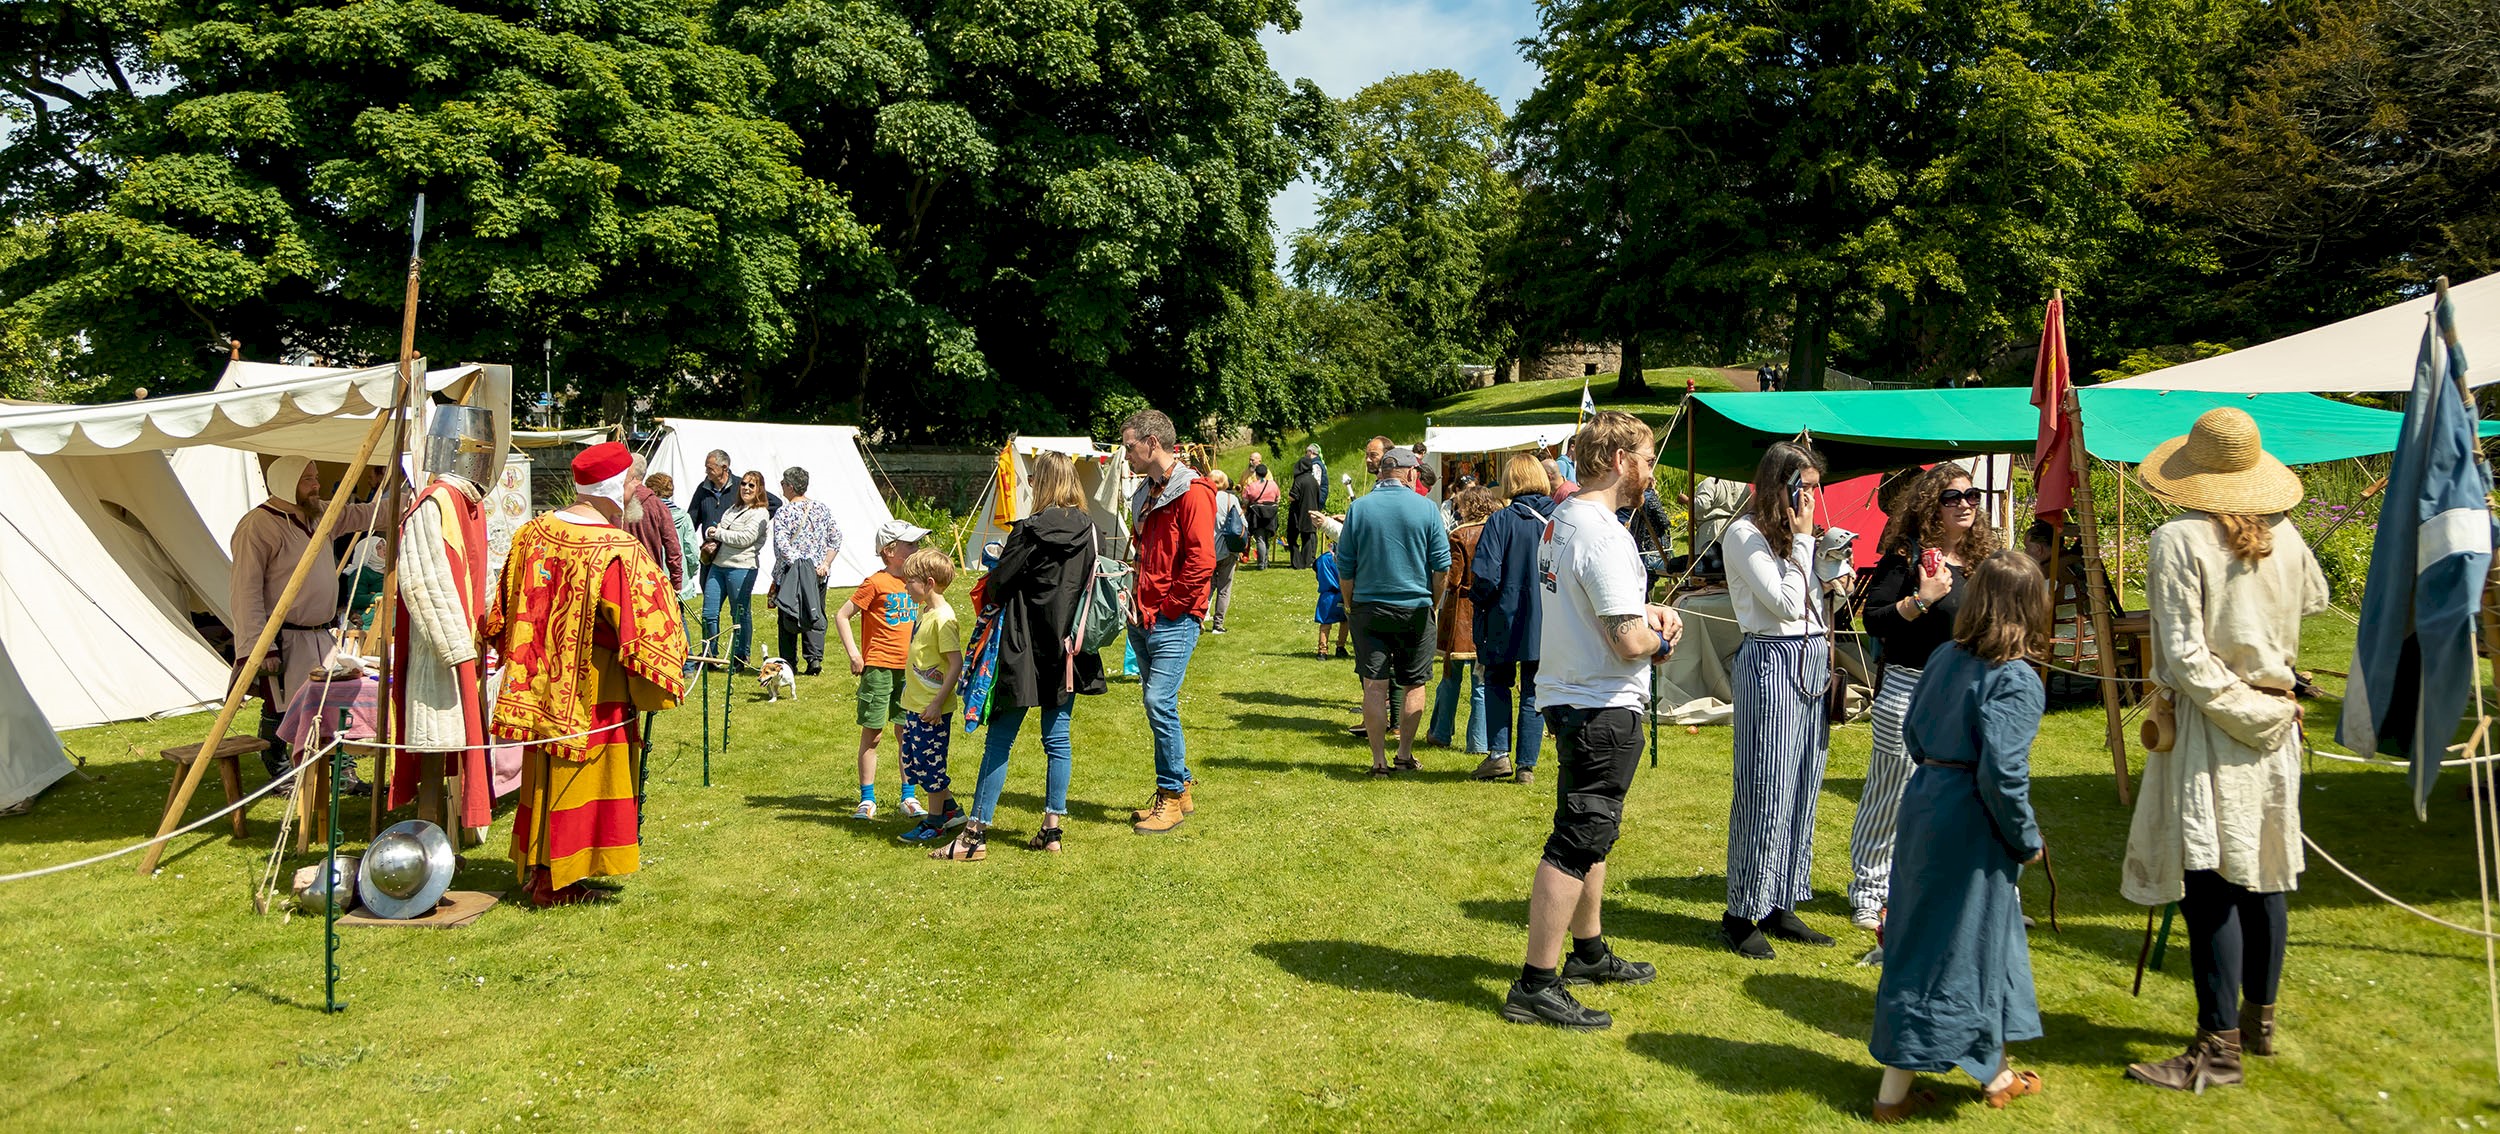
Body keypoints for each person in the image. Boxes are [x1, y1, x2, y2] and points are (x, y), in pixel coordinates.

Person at [2121, 408, 2328, 1093]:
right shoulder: (2286, 534)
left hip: (2223, 723)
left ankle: (2221, 1049)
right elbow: (2317, 599)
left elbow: (2183, 658)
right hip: (2269, 717)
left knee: (2213, 882)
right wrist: (2268, 688)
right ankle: (2254, 1027)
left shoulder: (2177, 539)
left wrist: (2246, 709)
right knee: (2260, 871)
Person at [1500, 410, 1683, 1030]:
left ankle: (1588, 952)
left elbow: (1602, 608)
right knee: (1579, 836)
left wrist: (1647, 610)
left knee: (1592, 828)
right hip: (1599, 700)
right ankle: (1536, 983)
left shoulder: (1567, 521)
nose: (1651, 470)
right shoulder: (1602, 533)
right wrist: (1661, 636)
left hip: (1573, 694)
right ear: (1617, 460)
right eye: (1647, 457)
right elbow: (1626, 641)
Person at [1867, 550, 2050, 1121]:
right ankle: (1892, 1097)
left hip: (1926, 804)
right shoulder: (2015, 680)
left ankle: (1994, 1075)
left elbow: (1915, 731)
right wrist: (2025, 837)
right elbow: (2003, 773)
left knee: (1956, 941)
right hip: (1971, 819)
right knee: (1948, 950)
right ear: (2031, 607)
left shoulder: (1946, 655)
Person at [488, 442, 687, 907]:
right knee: (585, 775)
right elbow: (648, 625)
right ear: (616, 488)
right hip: (592, 687)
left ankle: (540, 869)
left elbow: (504, 606)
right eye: (630, 484)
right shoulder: (617, 548)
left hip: (538, 684)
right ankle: (563, 878)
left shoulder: (531, 533)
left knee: (542, 775)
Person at [1847, 463, 1999, 930]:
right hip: (1909, 685)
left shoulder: (1982, 562)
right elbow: (1872, 620)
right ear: (1931, 506)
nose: (1966, 505)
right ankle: (1870, 894)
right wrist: (1922, 597)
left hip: (1965, 690)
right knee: (1892, 791)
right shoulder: (1905, 557)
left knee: (1962, 794)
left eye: (1971, 496)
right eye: (1953, 498)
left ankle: (1945, 886)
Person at [949, 452, 1106, 858]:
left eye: (1035, 478)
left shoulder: (1028, 530)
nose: (1031, 484)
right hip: (1067, 646)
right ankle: (1052, 830)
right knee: (1058, 740)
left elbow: (998, 585)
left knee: (999, 739)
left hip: (1021, 643)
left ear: (1046, 482)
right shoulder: (1092, 531)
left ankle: (974, 835)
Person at [1720, 440, 1836, 959]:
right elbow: (1785, 605)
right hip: (1771, 661)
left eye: (1815, 487)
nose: (1811, 498)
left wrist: (1829, 563)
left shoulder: (1793, 537)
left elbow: (1809, 598)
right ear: (1779, 487)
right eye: (1803, 488)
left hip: (1810, 657)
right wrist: (1807, 542)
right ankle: (1741, 910)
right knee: (1765, 788)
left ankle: (1781, 898)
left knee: (1804, 783)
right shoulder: (1744, 534)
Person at [228, 455, 385, 787]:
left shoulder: (319, 516)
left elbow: (363, 515)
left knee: (332, 702)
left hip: (320, 636)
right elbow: (246, 592)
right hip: (284, 637)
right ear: (287, 483)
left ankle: (341, 772)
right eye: (308, 480)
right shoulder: (258, 526)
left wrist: (410, 499)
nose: (316, 485)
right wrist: (262, 647)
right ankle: (280, 770)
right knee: (284, 706)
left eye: (315, 478)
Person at [391, 407, 496, 831]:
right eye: (476, 446)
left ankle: (447, 841)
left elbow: (482, 569)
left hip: (465, 647)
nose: (482, 454)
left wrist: (488, 626)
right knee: (437, 746)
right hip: (441, 652)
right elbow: (423, 578)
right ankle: (426, 839)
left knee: (460, 744)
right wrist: (456, 646)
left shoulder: (470, 503)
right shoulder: (434, 503)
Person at [1122, 408, 1217, 834]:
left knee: (1158, 702)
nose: (1126, 456)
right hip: (1144, 614)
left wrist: (1171, 609)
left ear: (1152, 443)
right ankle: (1180, 785)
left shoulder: (1193, 491)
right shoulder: (1148, 491)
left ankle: (1171, 798)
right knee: (1162, 705)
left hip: (1171, 618)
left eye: (1129, 447)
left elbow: (1201, 561)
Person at [1339, 446, 1452, 776]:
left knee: (1374, 685)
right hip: (1415, 607)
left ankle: (1378, 761)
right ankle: (1404, 753)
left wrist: (1349, 603)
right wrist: (1433, 601)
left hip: (1368, 607)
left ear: (1381, 473)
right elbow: (1441, 567)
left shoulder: (1359, 508)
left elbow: (1345, 567)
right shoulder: (1427, 510)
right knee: (1414, 684)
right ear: (1412, 474)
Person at [838, 520, 932, 821]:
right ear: (890, 551)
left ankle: (909, 796)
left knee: (907, 732)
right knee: (874, 734)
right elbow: (842, 615)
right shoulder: (875, 583)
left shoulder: (916, 585)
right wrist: (855, 654)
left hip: (909, 669)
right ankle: (867, 799)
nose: (917, 549)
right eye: (910, 545)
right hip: (878, 668)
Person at [1473, 453, 1557, 784]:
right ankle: (1526, 765)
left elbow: (1486, 575)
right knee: (1534, 689)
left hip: (1503, 615)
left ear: (1511, 481)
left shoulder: (1501, 521)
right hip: (1548, 617)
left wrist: (1477, 600)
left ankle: (1498, 755)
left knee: (1496, 681)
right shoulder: (1560, 520)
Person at [894, 549, 970, 845]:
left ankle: (936, 823)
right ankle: (951, 811)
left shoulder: (943, 619)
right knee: (916, 762)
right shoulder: (924, 612)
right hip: (916, 704)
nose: (904, 586)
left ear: (927, 582)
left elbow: (956, 663)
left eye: (908, 581)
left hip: (931, 708)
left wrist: (938, 702)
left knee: (932, 768)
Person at [1428, 488, 1499, 755]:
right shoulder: (1498, 529)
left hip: (1462, 611)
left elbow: (1453, 578)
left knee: (1450, 677)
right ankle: (1479, 743)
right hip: (1490, 609)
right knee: (1481, 681)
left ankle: (1440, 732)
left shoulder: (1460, 534)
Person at [768, 466, 842, 676]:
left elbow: (782, 545)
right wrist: (825, 564)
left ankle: (789, 661)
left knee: (789, 615)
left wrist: (798, 566)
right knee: (815, 612)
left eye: (783, 483)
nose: (781, 486)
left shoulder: (784, 512)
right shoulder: (822, 509)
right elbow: (835, 539)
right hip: (818, 574)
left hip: (791, 573)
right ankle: (814, 659)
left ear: (790, 486)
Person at [698, 471, 770, 671]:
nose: (746, 488)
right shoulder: (732, 508)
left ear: (759, 489)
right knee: (709, 613)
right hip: (718, 565)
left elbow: (745, 539)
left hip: (742, 568)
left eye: (752, 486)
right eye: (744, 484)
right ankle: (710, 656)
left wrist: (718, 532)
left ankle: (740, 657)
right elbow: (717, 527)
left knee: (738, 614)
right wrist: (712, 531)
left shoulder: (761, 513)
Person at [624, 453, 684, 596]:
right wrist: (676, 582)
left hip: (622, 575)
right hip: (649, 578)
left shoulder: (613, 502)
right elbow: (672, 546)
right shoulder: (658, 506)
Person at [1206, 469, 1246, 634]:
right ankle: (1218, 624)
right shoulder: (1231, 499)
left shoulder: (1204, 498)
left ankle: (1199, 617)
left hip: (1207, 548)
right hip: (1227, 549)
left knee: (1206, 586)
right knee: (1224, 588)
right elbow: (1242, 524)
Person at [1287, 443, 1330, 570]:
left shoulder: (1299, 480)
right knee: (1308, 536)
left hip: (1298, 511)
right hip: (1311, 510)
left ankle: (1297, 561)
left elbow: (1293, 496)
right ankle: (1307, 561)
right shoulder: (1313, 480)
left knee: (1292, 537)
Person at [1313, 513, 1349, 658]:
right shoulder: (1344, 558)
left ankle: (1322, 650)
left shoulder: (1322, 559)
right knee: (1344, 621)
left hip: (1327, 594)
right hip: (1342, 593)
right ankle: (1340, 646)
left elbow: (1317, 572)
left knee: (1325, 624)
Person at [1241, 455, 1281, 569]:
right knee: (1266, 538)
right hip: (1271, 514)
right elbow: (1278, 498)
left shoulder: (1252, 486)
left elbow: (1245, 500)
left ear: (1256, 474)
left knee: (1260, 539)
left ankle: (1261, 564)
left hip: (1257, 515)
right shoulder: (1273, 484)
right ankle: (1265, 561)